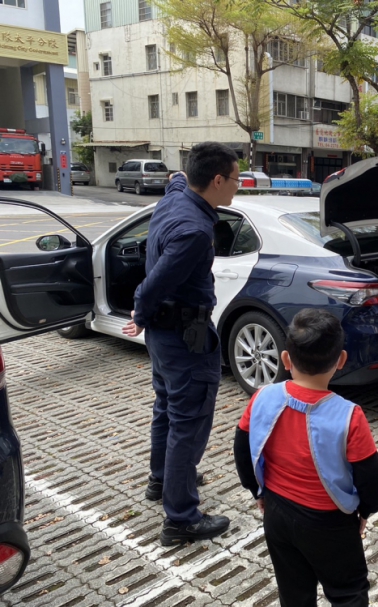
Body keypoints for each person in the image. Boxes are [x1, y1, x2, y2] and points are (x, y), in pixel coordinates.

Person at [122, 141, 241, 545]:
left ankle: (162, 480)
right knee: (187, 424)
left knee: (167, 409)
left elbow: (176, 179)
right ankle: (181, 518)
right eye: (236, 179)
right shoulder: (193, 230)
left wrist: (144, 319)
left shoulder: (176, 196)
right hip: (183, 338)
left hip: (163, 337)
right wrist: (138, 313)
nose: (238, 187)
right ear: (218, 180)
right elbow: (154, 284)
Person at [233, 309, 378, 607]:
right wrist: (367, 510)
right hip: (330, 523)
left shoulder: (262, 397)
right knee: (348, 592)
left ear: (286, 359)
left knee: (294, 592)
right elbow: (369, 475)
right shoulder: (350, 416)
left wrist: (256, 491)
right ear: (340, 360)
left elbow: (242, 447)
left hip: (277, 513)